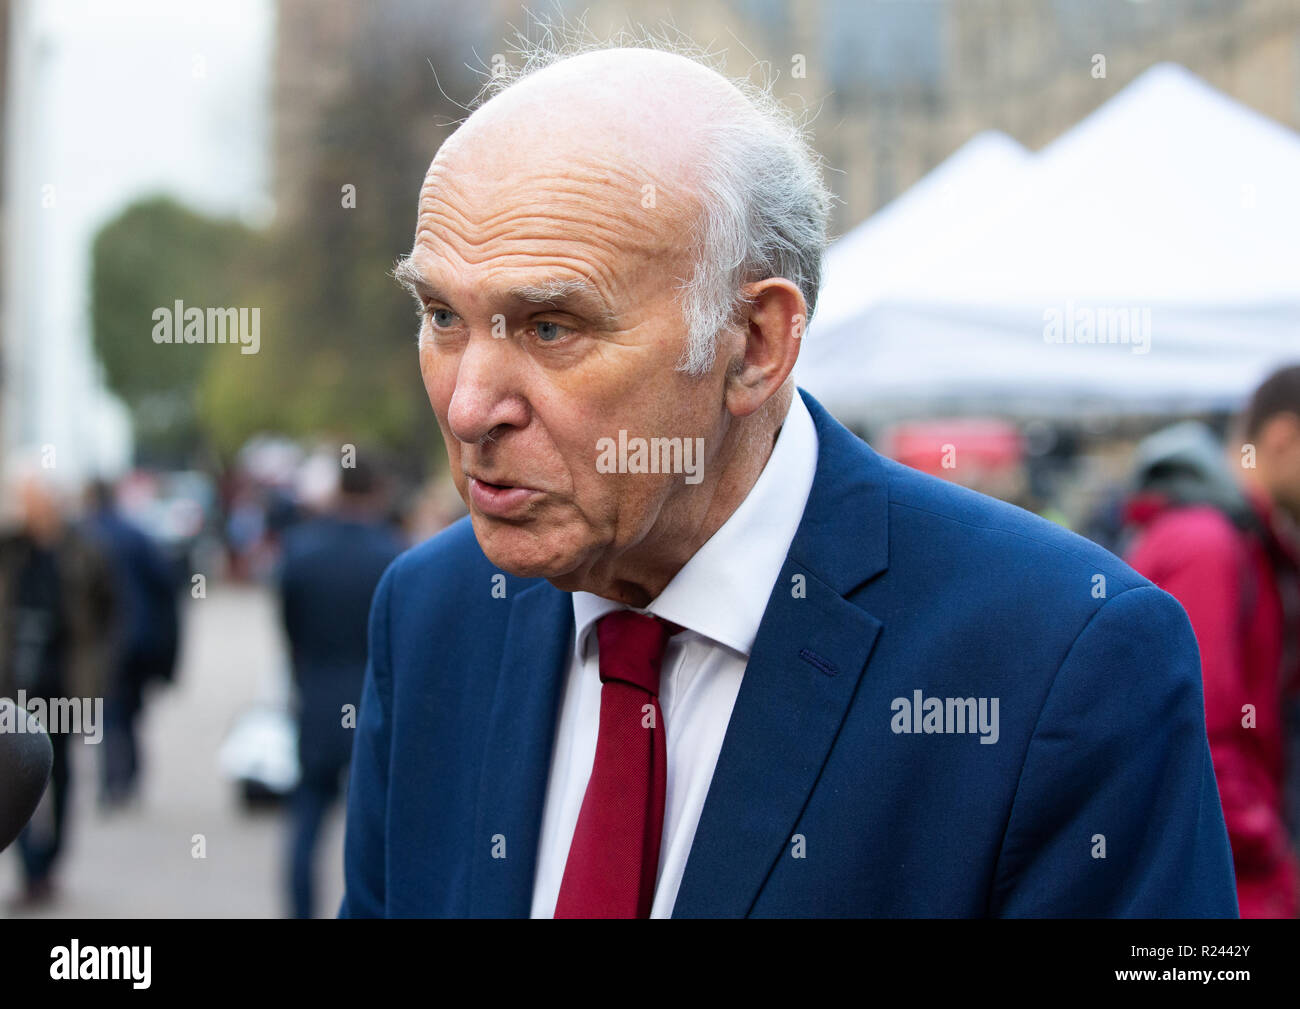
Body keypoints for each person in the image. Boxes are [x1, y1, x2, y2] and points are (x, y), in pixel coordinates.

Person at [340, 39, 1237, 918]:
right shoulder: (432, 612)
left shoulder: (1060, 662)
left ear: (758, 345)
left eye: (550, 327)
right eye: (441, 314)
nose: (467, 406)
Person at [1125, 366, 1300, 918]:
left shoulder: (1242, 542)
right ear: (1284, 439)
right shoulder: (1210, 546)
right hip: (1226, 891)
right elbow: (1200, 739)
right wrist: (1273, 859)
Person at [279, 456, 403, 918]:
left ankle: (300, 909)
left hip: (317, 698)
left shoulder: (301, 551)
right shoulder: (394, 554)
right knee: (376, 825)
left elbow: (290, 630)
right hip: (376, 701)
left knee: (306, 816)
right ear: (375, 492)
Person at [0, 465, 116, 908]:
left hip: (64, 684)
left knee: (61, 772)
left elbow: (107, 612)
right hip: (15, 686)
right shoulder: (11, 549)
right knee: (15, 773)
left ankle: (51, 861)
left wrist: (98, 671)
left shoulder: (84, 551)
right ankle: (29, 866)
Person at [83, 479, 180, 809]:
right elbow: (165, 584)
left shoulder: (85, 536)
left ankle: (115, 780)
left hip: (108, 642)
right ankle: (129, 774)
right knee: (129, 711)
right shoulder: (134, 534)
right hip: (139, 638)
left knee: (110, 712)